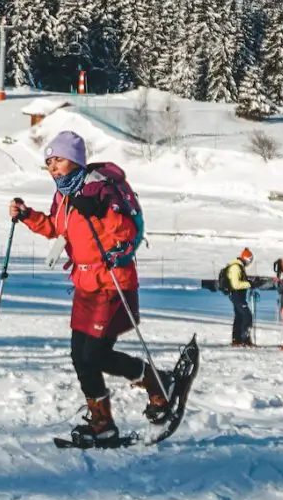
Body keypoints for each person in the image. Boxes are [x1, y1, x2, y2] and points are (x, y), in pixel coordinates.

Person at [9, 129, 170, 447]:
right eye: (49, 163)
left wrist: (100, 210)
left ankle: (160, 385)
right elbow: (57, 228)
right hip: (84, 284)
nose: (53, 167)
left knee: (95, 354)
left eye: (58, 161)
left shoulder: (101, 188)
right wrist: (27, 216)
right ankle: (101, 422)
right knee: (80, 357)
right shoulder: (64, 195)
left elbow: (124, 230)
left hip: (111, 283)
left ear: (75, 160)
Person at [221, 248, 256, 346]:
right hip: (236, 294)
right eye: (250, 260)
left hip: (238, 295)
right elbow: (235, 284)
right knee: (247, 316)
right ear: (246, 259)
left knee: (239, 317)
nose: (250, 263)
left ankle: (237, 339)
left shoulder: (239, 266)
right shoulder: (236, 267)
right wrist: (249, 284)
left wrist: (249, 281)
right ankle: (244, 339)